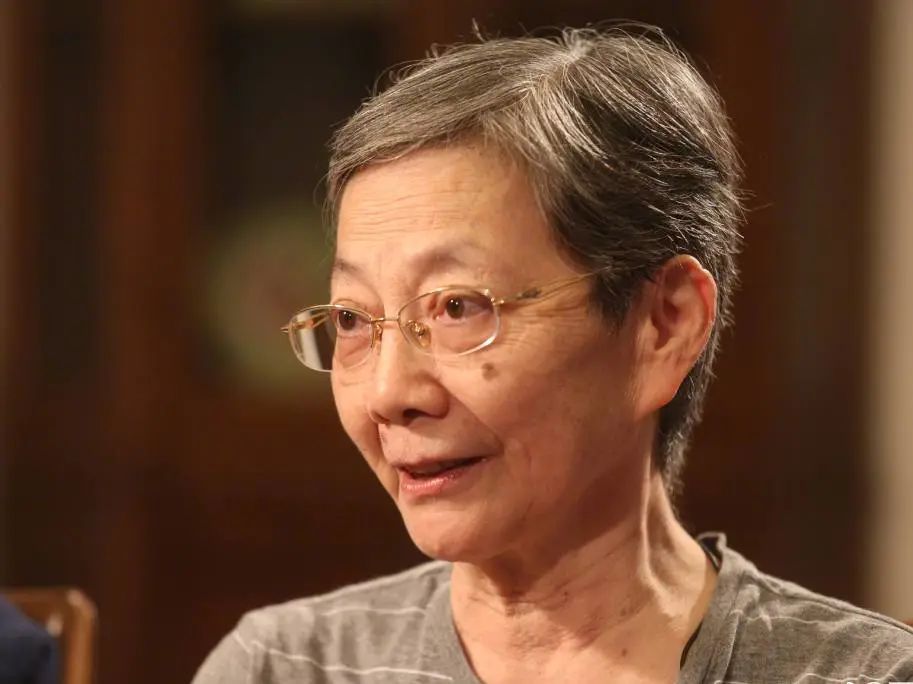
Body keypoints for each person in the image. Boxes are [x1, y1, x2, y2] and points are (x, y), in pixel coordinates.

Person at [193, 25, 913, 683]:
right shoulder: (283, 668)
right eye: (353, 319)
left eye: (457, 307)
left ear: (663, 326)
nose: (388, 393)